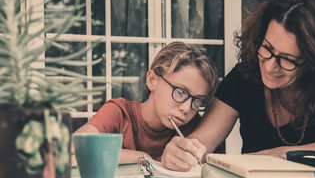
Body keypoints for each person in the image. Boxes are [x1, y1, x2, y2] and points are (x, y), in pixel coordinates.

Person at [162, 0, 315, 171]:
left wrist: (278, 155)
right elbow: (203, 142)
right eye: (267, 48)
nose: (269, 67)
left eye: (287, 59)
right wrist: (183, 151)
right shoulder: (244, 76)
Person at [73, 41, 218, 167]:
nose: (186, 108)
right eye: (180, 92)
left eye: (197, 100)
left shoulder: (195, 128)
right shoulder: (119, 113)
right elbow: (73, 149)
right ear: (152, 80)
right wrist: (143, 157)